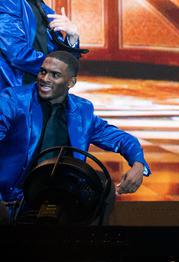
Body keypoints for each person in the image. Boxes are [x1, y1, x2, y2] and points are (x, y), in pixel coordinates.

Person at [0, 51, 149, 206]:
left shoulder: (82, 110)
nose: (44, 79)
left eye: (55, 75)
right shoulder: (14, 100)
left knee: (103, 189)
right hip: (11, 197)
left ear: (71, 82)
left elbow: (121, 139)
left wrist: (138, 164)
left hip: (61, 196)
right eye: (43, 72)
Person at [0, 0, 83, 90]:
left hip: (43, 91)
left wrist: (72, 36)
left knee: (83, 109)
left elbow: (65, 60)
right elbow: (17, 53)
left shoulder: (45, 9)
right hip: (17, 96)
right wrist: (57, 70)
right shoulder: (6, 1)